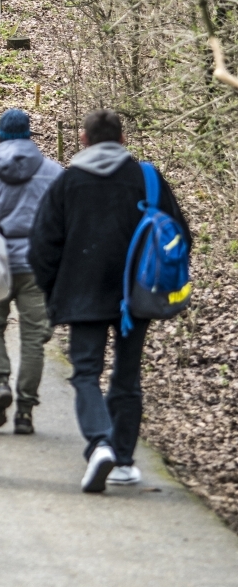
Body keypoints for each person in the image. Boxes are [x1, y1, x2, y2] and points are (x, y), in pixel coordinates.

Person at [29, 108, 191, 494]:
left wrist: (54, 292)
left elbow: (41, 247)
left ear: (83, 140)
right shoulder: (147, 179)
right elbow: (180, 236)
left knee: (85, 371)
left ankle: (99, 442)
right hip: (137, 294)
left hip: (81, 293)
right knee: (126, 375)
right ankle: (122, 459)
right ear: (122, 140)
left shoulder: (67, 184)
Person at [0, 108, 61, 435]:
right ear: (28, 134)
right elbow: (59, 224)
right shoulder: (53, 172)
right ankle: (24, 410)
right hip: (35, 264)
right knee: (34, 338)